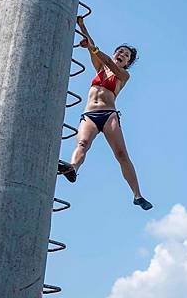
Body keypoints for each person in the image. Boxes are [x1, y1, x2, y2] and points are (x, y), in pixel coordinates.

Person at [58, 16, 153, 211]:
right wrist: (82, 26)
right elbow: (95, 51)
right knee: (82, 143)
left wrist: (92, 48)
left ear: (127, 62)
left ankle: (137, 195)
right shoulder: (101, 67)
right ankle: (73, 168)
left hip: (108, 114)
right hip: (90, 114)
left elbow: (105, 58)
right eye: (120, 50)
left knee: (121, 154)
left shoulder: (123, 75)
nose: (122, 54)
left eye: (126, 55)